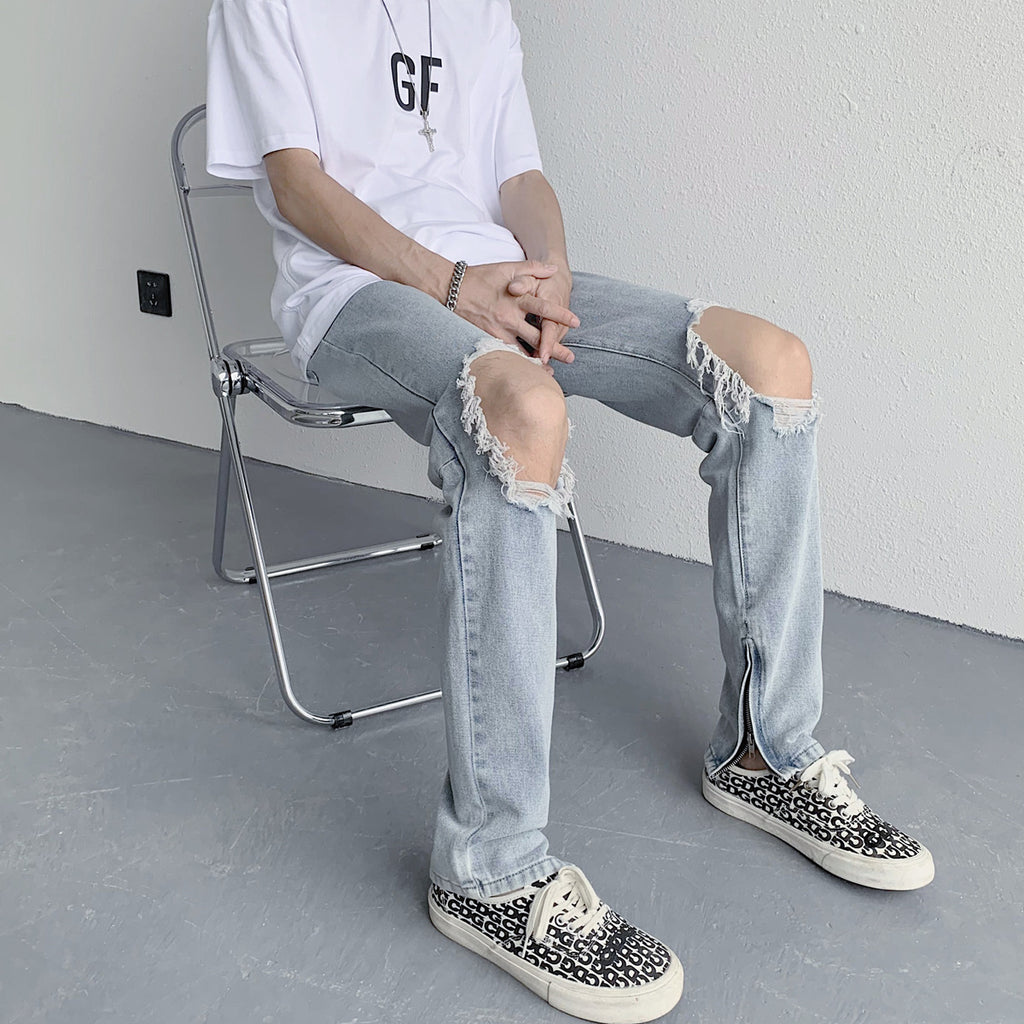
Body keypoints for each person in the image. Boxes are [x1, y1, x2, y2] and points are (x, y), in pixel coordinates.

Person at [205, 1, 934, 1020]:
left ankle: (766, 751)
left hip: (497, 284)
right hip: (357, 295)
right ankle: (489, 868)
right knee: (522, 408)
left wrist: (543, 281)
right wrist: (455, 286)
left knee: (769, 367)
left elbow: (520, 180)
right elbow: (296, 183)